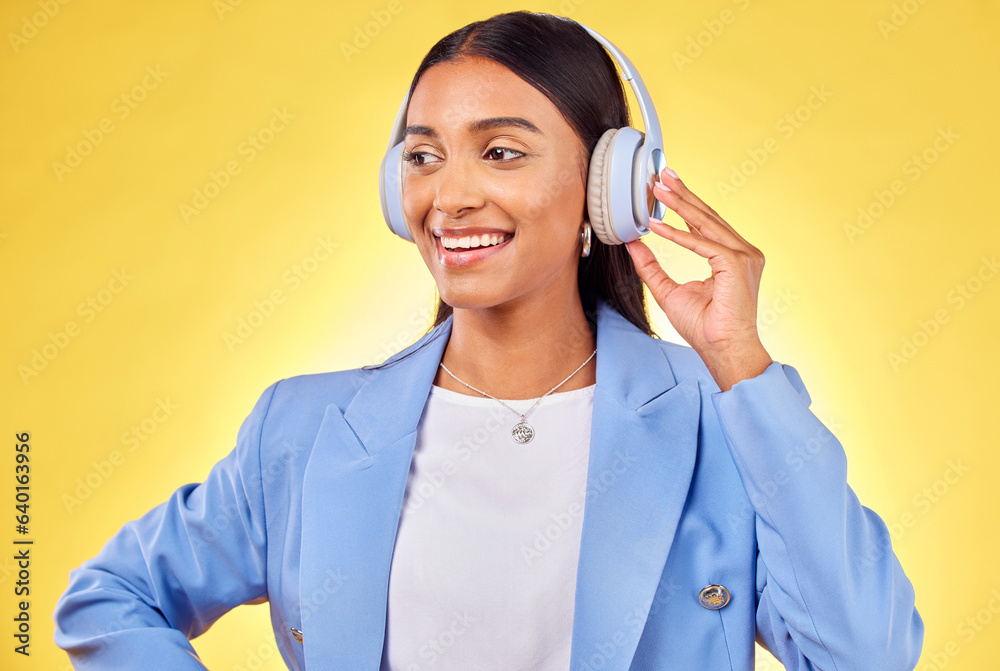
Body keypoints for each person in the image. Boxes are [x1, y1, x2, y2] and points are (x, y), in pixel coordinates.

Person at [53, 11, 923, 670]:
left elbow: (866, 652)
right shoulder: (303, 429)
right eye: (424, 157)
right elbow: (108, 597)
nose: (450, 196)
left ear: (607, 187)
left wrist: (741, 364)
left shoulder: (720, 420)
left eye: (501, 152)